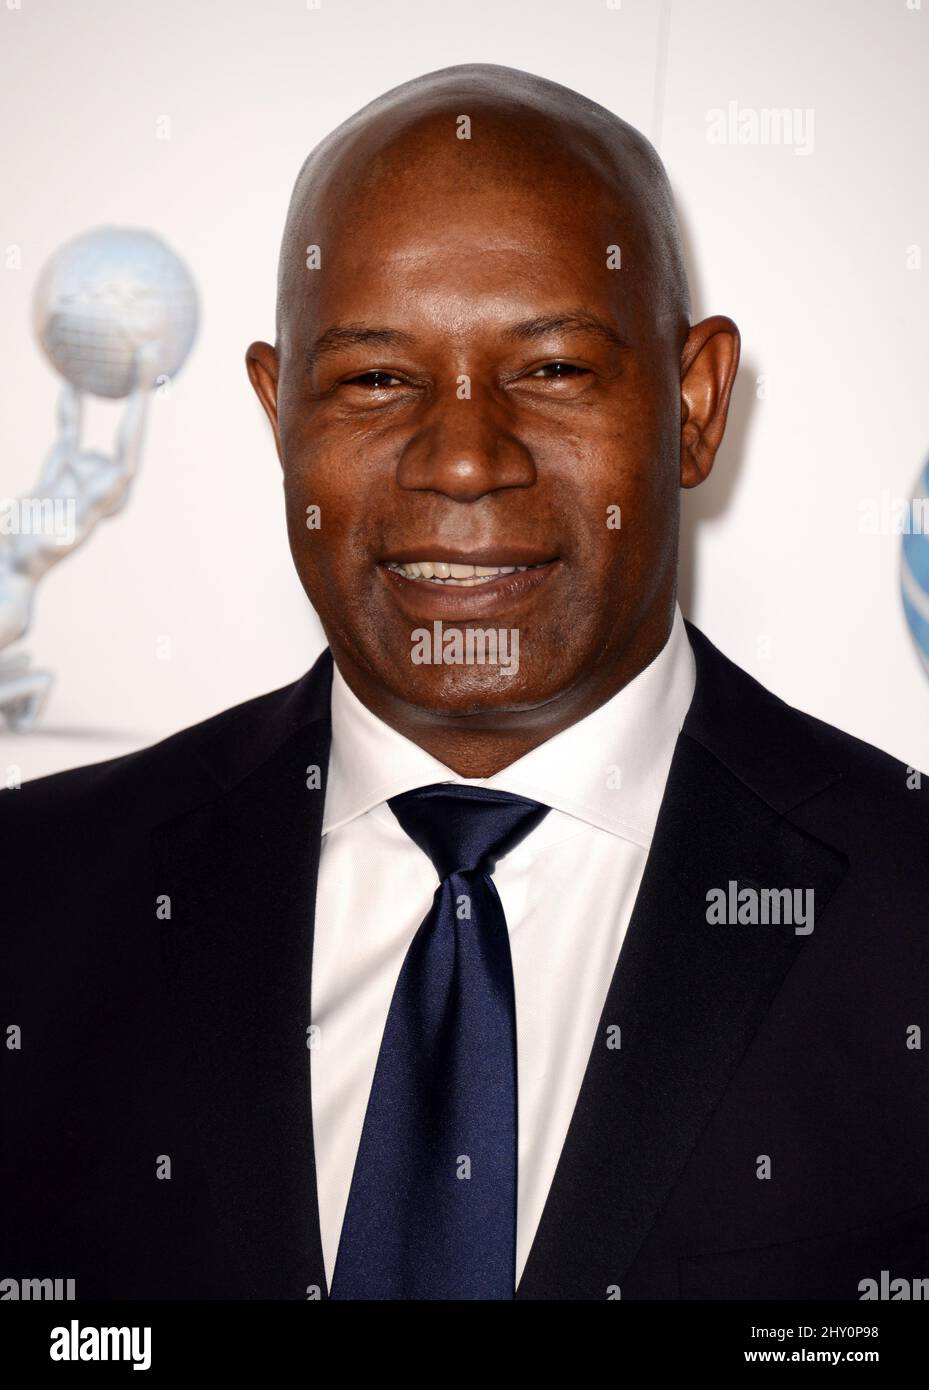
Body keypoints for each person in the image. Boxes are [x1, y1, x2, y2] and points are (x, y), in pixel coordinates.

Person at [2, 63, 928, 1302]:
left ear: (694, 403)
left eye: (549, 369)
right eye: (375, 379)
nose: (461, 459)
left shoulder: (903, 918)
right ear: (278, 415)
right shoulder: (35, 905)